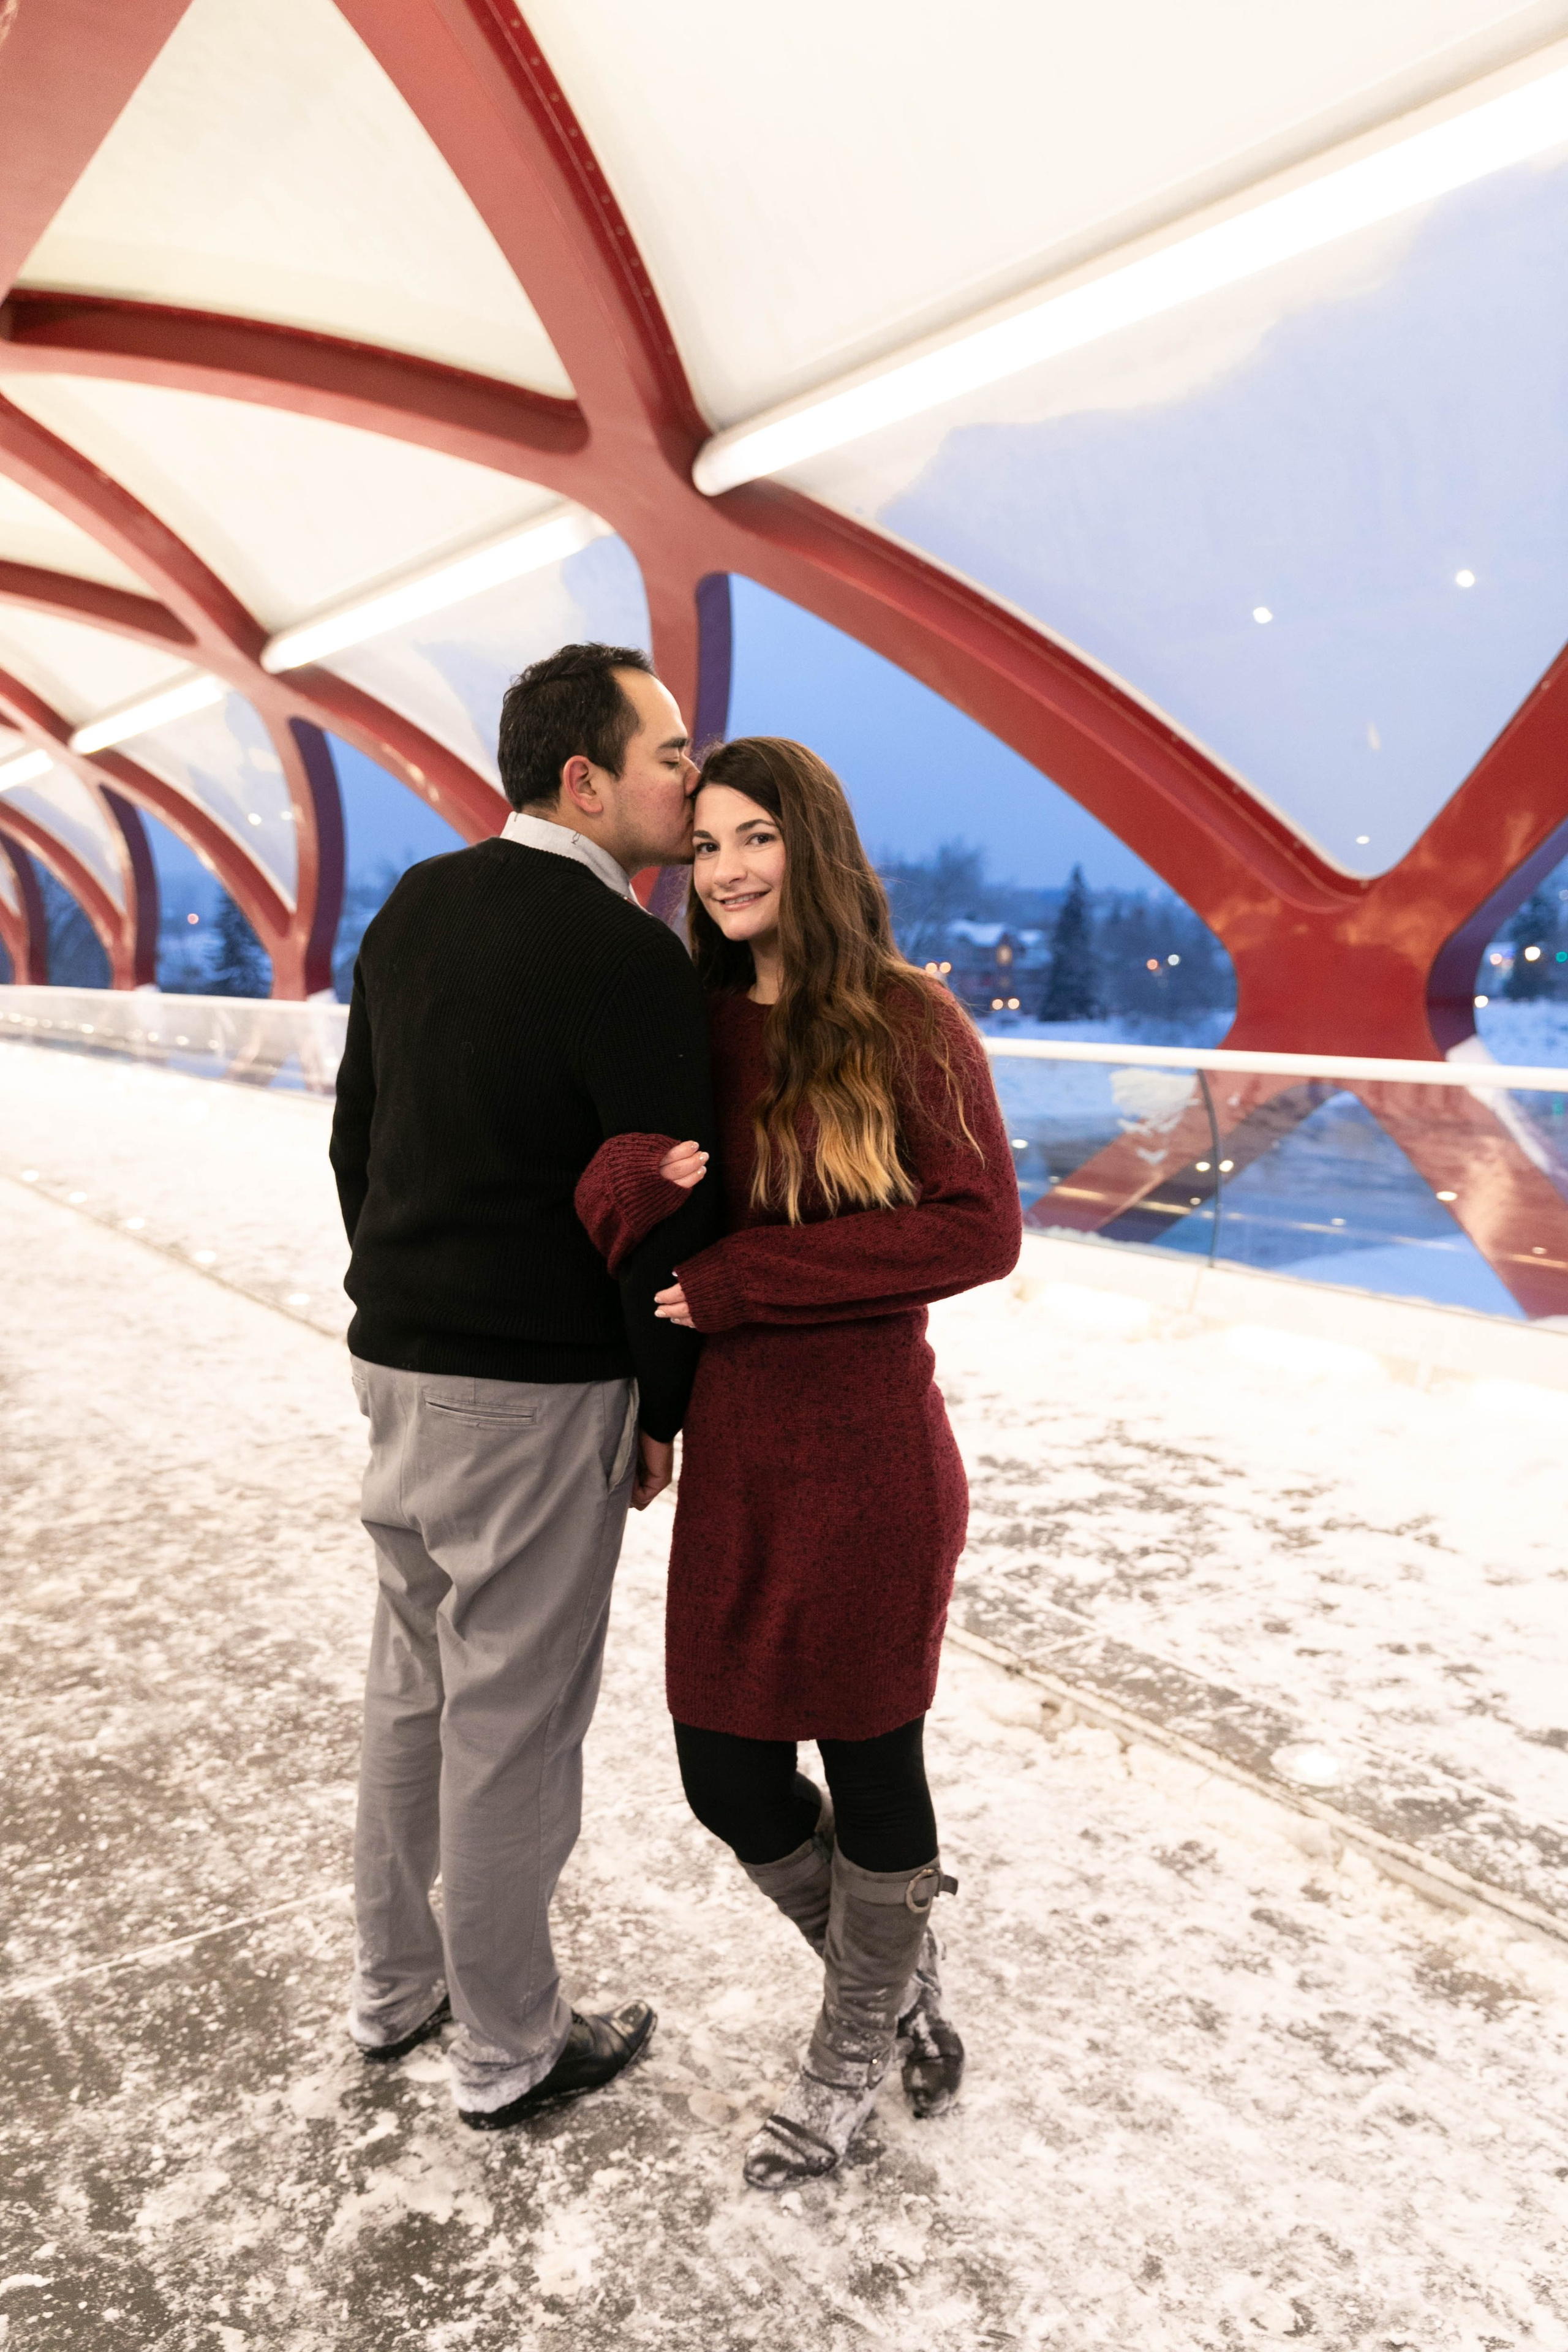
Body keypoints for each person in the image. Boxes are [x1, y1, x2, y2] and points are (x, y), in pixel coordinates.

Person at [574, 737, 1021, 2187]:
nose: (725, 869)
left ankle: (847, 2053)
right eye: (702, 847)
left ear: (810, 844)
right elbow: (628, 1228)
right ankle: (892, 1978)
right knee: (726, 1771)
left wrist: (755, 1280)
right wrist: (619, 1191)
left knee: (871, 1756)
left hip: (874, 1449)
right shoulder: (695, 1025)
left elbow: (975, 1230)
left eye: (752, 836)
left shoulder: (905, 1020)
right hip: (744, 1458)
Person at [330, 642, 719, 2130]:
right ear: (586, 778)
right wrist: (661, 1405)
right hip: (536, 1392)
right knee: (513, 1722)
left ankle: (393, 1987)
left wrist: (409, 1293)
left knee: (412, 1689)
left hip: (396, 1366)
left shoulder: (418, 906)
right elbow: (662, 1213)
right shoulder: (626, 954)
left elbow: (354, 1143)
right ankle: (507, 2046)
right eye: (669, 753)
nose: (689, 775)